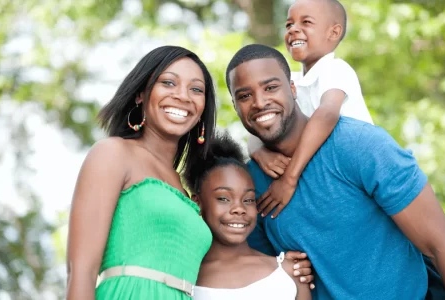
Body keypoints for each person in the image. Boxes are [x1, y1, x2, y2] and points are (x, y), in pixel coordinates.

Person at [226, 44, 445, 299]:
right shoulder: (249, 185)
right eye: (245, 96)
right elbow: (263, 278)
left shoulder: (360, 145)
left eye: (271, 87)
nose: (259, 102)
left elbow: (441, 247)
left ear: (293, 88)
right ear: (236, 106)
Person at [66, 45, 217, 299]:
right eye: (168, 83)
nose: (183, 96)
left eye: (196, 89)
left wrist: (282, 266)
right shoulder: (113, 154)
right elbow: (81, 271)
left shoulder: (186, 191)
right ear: (140, 94)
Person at [247, 0, 373, 218]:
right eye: (289, 24)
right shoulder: (291, 83)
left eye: (306, 22)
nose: (293, 29)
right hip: (327, 182)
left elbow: (327, 115)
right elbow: (260, 124)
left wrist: (289, 178)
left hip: (362, 174)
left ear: (333, 32)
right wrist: (260, 152)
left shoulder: (336, 69)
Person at [183, 132, 311, 300]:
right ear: (197, 203)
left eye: (248, 199)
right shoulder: (185, 278)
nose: (239, 208)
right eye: (223, 198)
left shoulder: (289, 273)